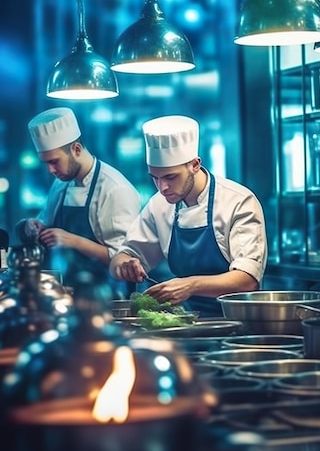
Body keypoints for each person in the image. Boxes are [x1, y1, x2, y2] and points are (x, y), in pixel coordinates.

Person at [109, 114, 268, 317]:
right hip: (187, 322)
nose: (162, 187)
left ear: (195, 164)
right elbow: (121, 258)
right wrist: (124, 265)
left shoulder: (239, 202)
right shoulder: (159, 204)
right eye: (155, 178)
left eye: (170, 177)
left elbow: (247, 280)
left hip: (238, 322)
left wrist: (190, 286)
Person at [16, 107, 141, 293]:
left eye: (54, 161)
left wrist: (74, 241)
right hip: (65, 294)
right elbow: (45, 222)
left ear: (76, 149)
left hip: (107, 299)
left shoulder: (115, 189)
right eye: (46, 163)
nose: (50, 170)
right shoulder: (62, 183)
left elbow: (124, 259)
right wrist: (35, 226)